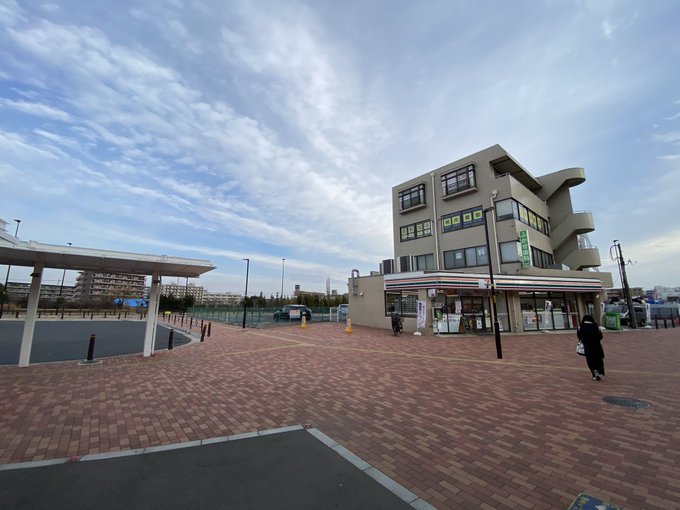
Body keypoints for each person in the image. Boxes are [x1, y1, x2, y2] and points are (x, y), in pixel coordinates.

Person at [577, 315, 605, 381]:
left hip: (587, 347)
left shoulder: (580, 327)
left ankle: (594, 372)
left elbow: (579, 336)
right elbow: (600, 336)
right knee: (598, 359)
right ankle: (599, 371)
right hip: (597, 346)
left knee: (590, 360)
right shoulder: (595, 326)